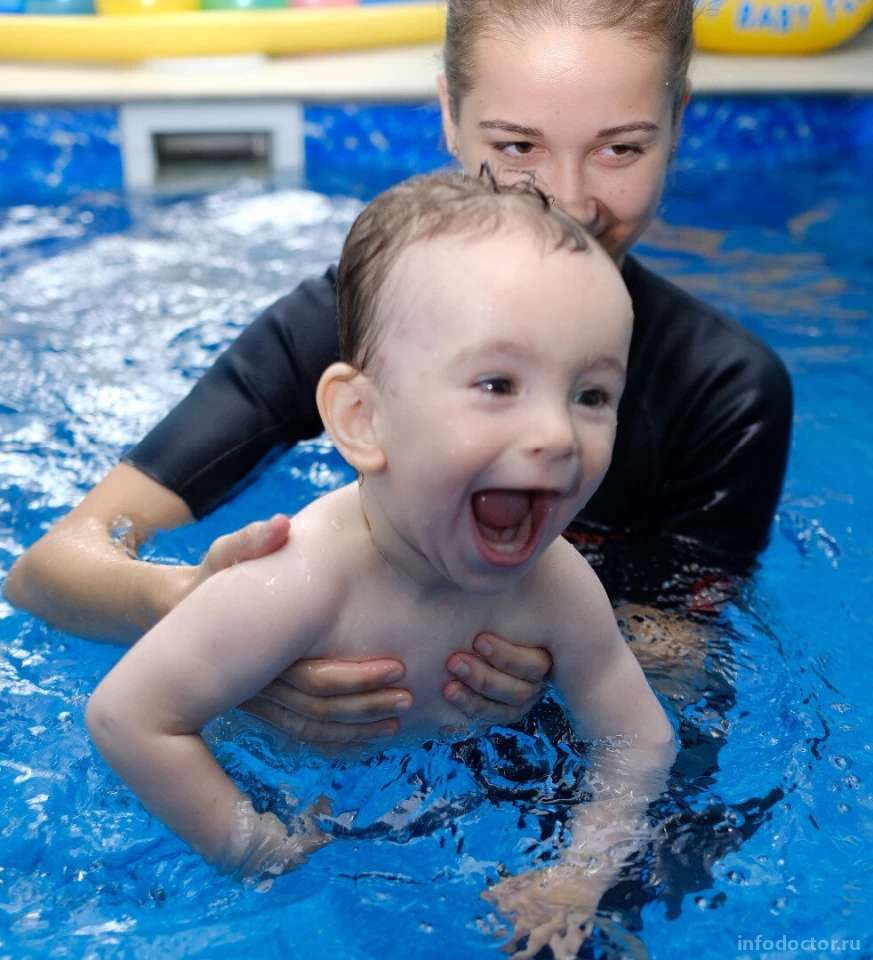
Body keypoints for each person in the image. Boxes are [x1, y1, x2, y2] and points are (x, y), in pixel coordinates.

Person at [5, 0, 792, 744]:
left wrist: (544, 657)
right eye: (517, 147)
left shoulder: (724, 389)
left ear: (677, 123)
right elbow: (48, 570)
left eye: (620, 147)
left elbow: (686, 660)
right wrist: (212, 612)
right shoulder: (344, 322)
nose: (569, 200)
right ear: (450, 116)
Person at [85, 174, 677, 956]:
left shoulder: (558, 584)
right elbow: (129, 718)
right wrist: (255, 847)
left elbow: (639, 740)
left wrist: (579, 873)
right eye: (498, 384)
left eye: (591, 394)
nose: (559, 435)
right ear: (363, 420)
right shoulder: (298, 579)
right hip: (282, 790)